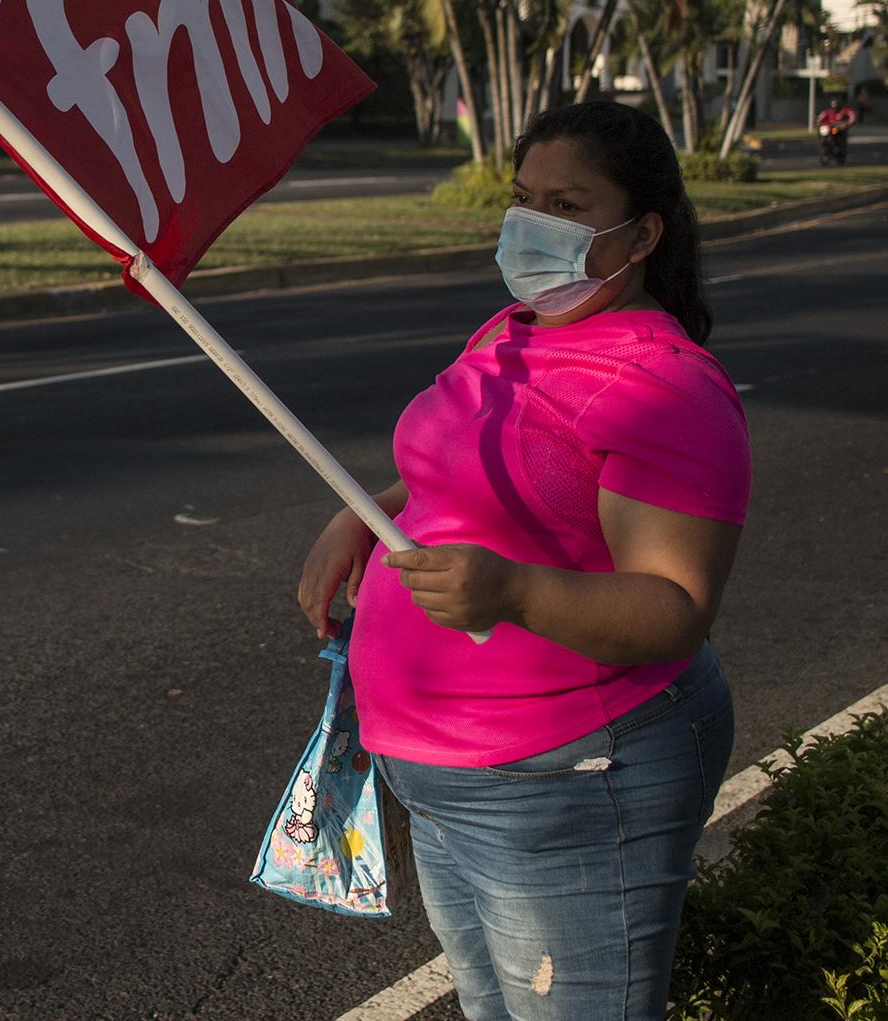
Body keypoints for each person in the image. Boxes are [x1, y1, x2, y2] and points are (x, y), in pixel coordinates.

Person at [297, 101, 751, 1020]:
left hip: (568, 780)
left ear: (643, 231)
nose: (531, 227)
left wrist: (511, 591)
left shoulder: (664, 387)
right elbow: (450, 476)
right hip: (446, 780)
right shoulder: (514, 330)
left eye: (568, 205)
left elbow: (673, 606)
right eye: (522, 199)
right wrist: (362, 516)